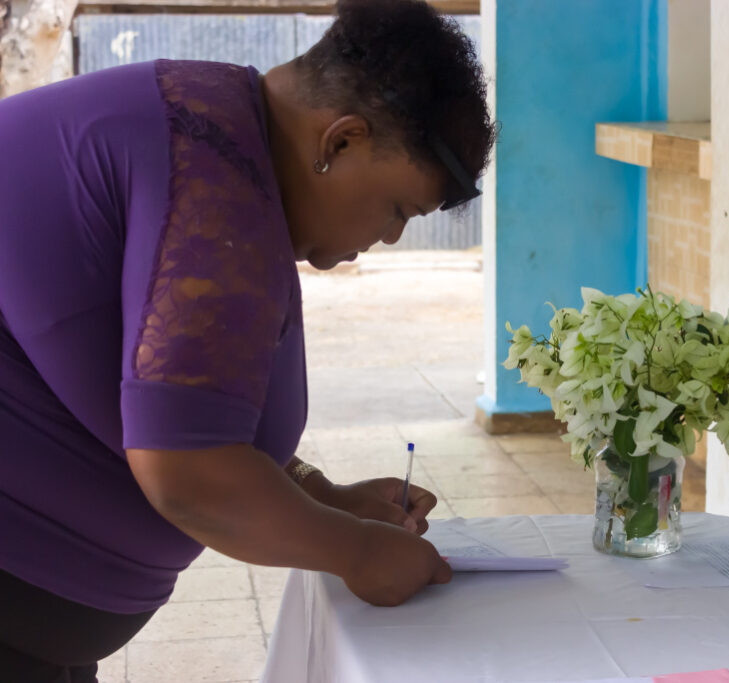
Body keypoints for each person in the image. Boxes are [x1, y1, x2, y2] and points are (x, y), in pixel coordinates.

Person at [0, 0, 496, 679]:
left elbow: (175, 398)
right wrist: (358, 551)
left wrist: (319, 493)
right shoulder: (214, 176)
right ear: (341, 141)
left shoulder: (220, 136)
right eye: (398, 209)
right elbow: (186, 469)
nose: (390, 238)